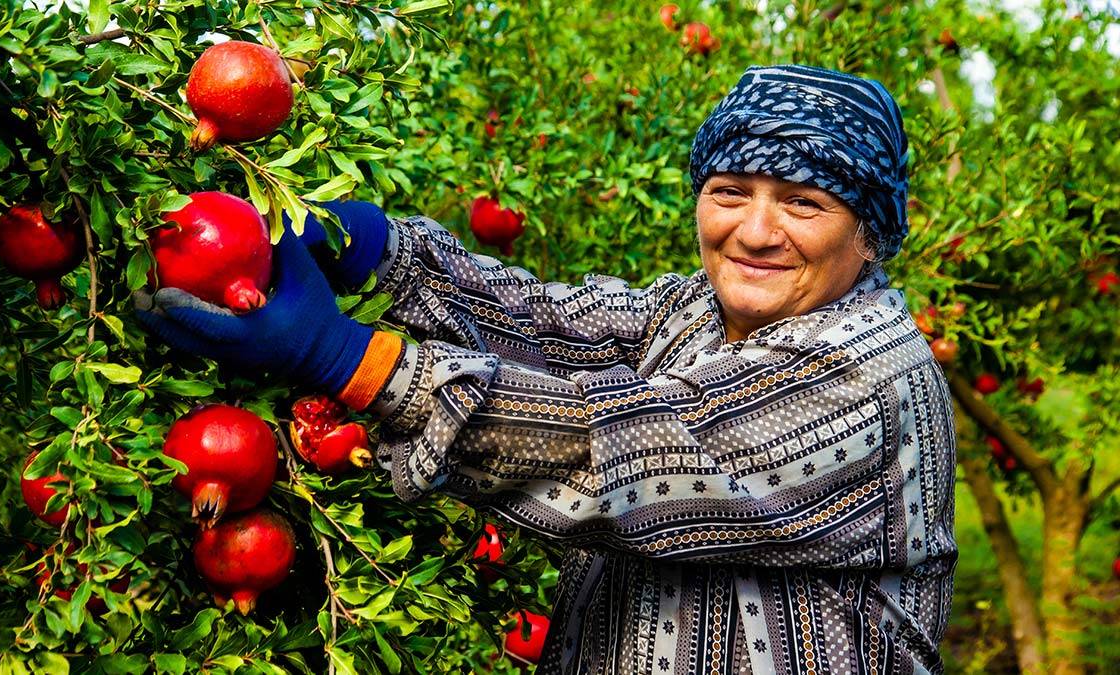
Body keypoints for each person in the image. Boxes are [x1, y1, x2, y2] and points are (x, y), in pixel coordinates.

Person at [138, 64, 957, 674]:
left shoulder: (863, 379)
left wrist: (353, 362)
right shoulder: (696, 313)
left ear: (872, 234)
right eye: (730, 190)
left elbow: (618, 456)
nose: (754, 229)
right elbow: (552, 326)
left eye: (804, 203)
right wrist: (386, 253)